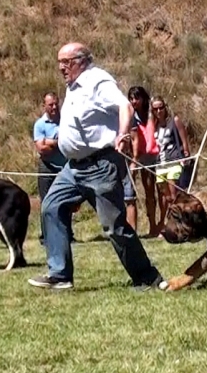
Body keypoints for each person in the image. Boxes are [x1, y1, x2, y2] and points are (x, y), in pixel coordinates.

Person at [28, 42, 163, 291]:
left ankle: (147, 277)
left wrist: (122, 134)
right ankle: (60, 274)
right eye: (59, 62)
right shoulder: (73, 87)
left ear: (82, 60)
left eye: (66, 62)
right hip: (74, 168)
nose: (61, 67)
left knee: (114, 226)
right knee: (50, 206)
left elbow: (124, 106)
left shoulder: (97, 81)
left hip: (100, 165)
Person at [33, 92, 75, 245]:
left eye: (56, 104)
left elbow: (70, 142)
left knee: (66, 201)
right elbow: (41, 149)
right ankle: (46, 236)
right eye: (50, 105)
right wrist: (58, 143)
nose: (54, 107)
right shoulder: (39, 124)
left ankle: (68, 234)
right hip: (47, 167)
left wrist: (50, 142)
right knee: (46, 202)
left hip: (65, 167)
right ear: (44, 106)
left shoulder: (66, 121)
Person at [152, 96, 191, 232]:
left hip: (173, 161)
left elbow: (184, 140)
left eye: (160, 107)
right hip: (160, 164)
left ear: (165, 107)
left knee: (174, 195)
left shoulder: (174, 121)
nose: (158, 111)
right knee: (165, 197)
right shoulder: (154, 125)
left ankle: (181, 225)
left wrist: (186, 153)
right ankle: (168, 225)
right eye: (155, 109)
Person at [128, 86, 160, 237]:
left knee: (160, 193)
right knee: (148, 193)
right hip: (142, 158)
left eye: (137, 98)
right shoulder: (131, 115)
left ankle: (159, 226)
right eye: (131, 98)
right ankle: (151, 226)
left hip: (157, 156)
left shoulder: (151, 112)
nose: (134, 101)